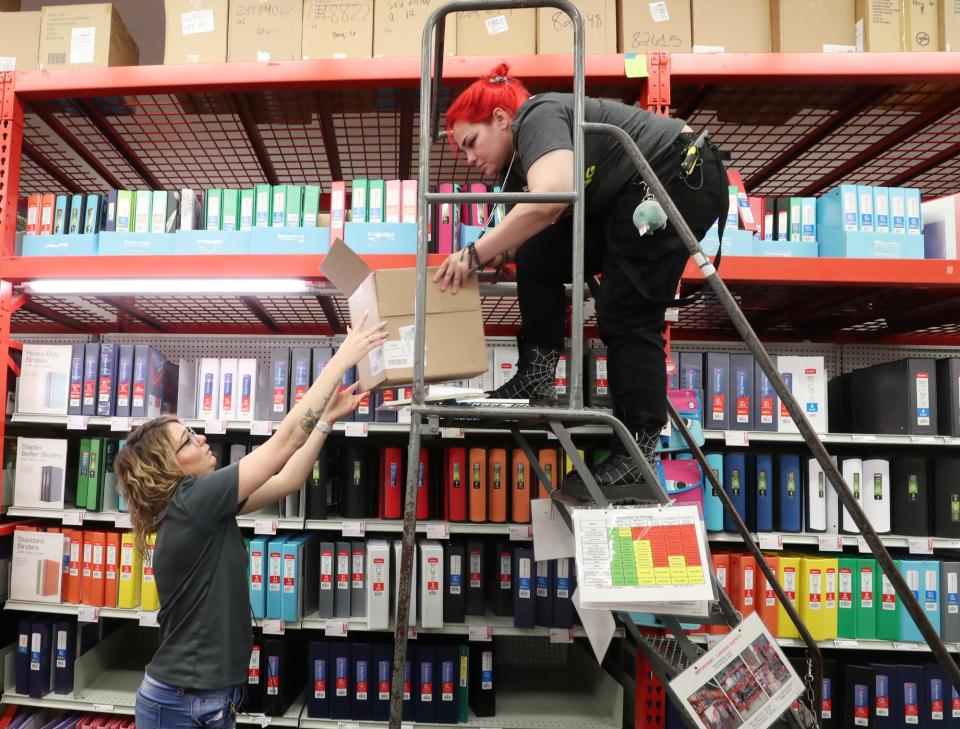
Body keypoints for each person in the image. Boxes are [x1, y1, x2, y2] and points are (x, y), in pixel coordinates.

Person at [435, 63, 729, 501]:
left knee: (627, 312)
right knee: (537, 255)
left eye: (471, 142)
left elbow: (551, 198)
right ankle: (536, 377)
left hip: (672, 175)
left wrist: (478, 253)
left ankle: (637, 453)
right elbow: (533, 227)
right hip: (625, 196)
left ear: (500, 119)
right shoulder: (517, 167)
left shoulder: (536, 114)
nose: (469, 158)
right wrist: (497, 253)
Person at [116, 315, 388, 729]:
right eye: (188, 440)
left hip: (201, 700)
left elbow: (287, 479)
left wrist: (328, 420)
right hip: (180, 703)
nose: (201, 439)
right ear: (167, 467)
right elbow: (284, 442)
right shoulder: (191, 501)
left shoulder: (200, 508)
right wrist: (342, 358)